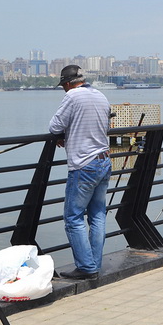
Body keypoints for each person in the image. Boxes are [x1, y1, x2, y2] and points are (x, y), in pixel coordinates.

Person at [49, 65, 112, 280]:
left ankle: (86, 267)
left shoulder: (73, 96)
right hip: (104, 161)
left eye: (63, 87)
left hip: (83, 165)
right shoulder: (100, 95)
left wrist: (62, 135)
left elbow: (55, 125)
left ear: (67, 83)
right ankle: (94, 264)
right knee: (97, 215)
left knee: (73, 217)